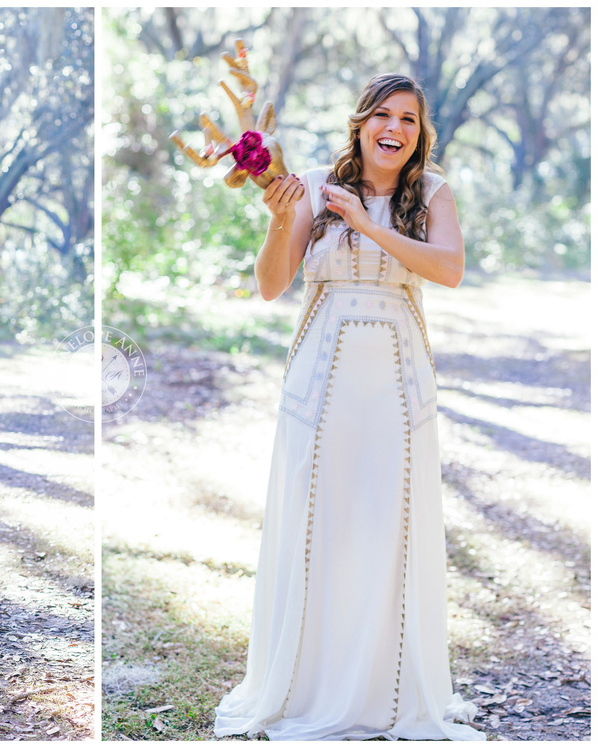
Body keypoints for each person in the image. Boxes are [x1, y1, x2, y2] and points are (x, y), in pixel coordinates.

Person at [213, 74, 485, 740]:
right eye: (383, 116)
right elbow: (272, 285)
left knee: (386, 528)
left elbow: (448, 269)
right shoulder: (312, 186)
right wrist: (282, 223)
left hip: (398, 384)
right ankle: (308, 684)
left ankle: (383, 695)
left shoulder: (433, 193)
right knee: (320, 525)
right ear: (360, 123)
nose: (394, 129)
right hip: (322, 380)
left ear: (420, 134)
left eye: (409, 120)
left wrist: (368, 223)